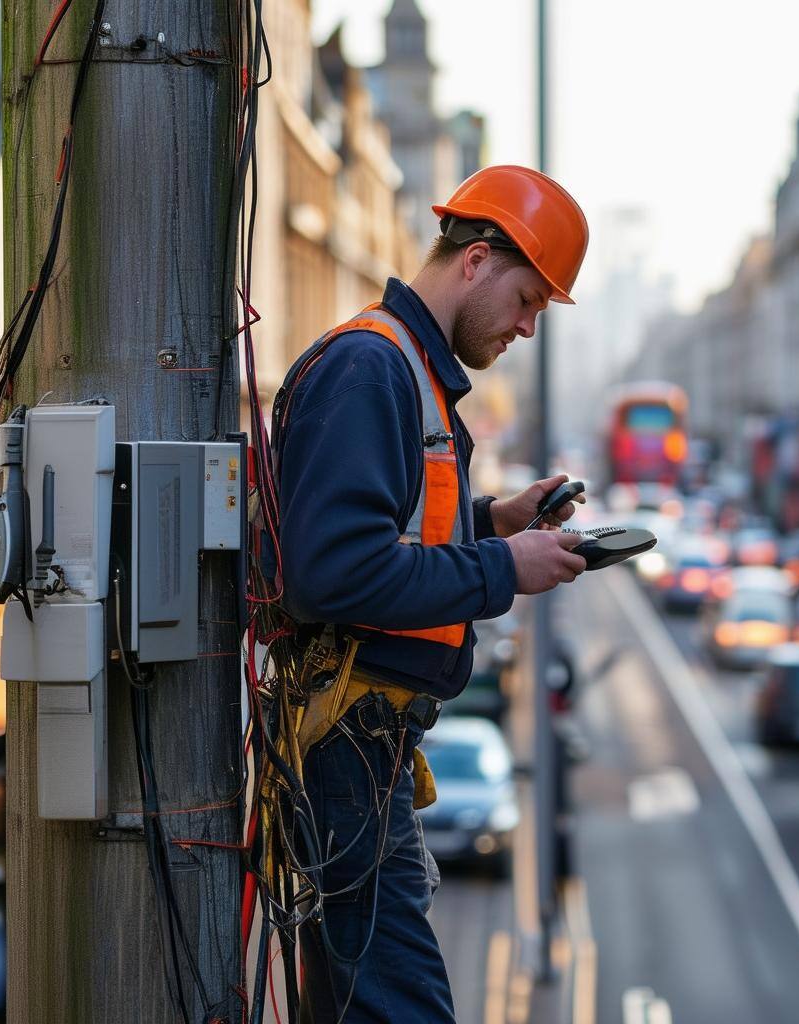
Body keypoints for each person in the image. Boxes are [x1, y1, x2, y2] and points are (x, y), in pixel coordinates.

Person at [274, 164, 589, 1022]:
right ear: (478, 260)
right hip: (348, 748)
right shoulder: (372, 367)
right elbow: (332, 572)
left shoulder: (406, 367)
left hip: (364, 751)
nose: (528, 326)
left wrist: (494, 523)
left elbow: (394, 537)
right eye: (528, 300)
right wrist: (503, 570)